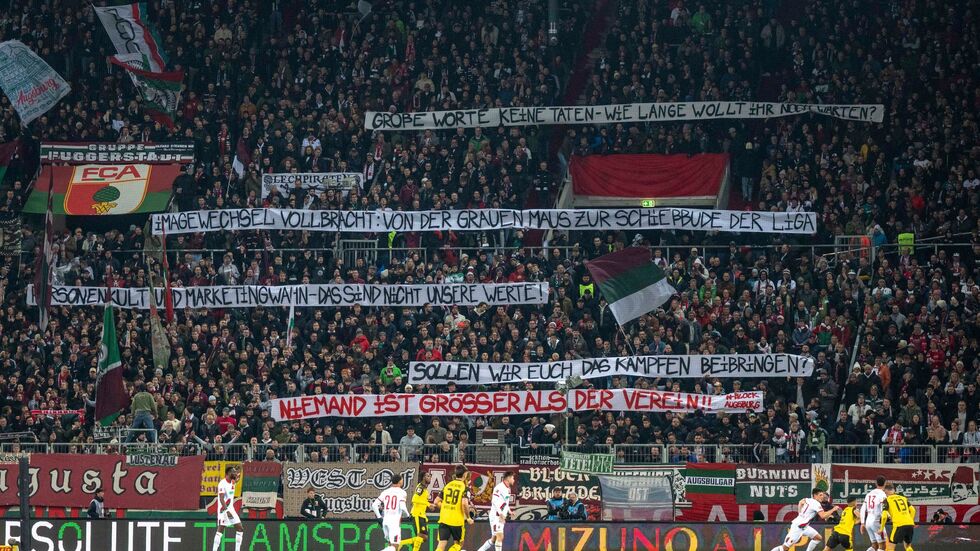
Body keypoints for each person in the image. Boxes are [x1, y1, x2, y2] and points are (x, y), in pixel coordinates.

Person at [770, 488, 840, 551]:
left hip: (804, 526)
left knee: (818, 538)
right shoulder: (816, 503)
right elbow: (823, 516)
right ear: (815, 495)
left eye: (823, 495)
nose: (822, 497)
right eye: (820, 495)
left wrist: (800, 514)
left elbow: (800, 502)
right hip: (798, 527)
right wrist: (833, 509)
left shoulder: (808, 500)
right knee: (785, 548)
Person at [371, 473, 416, 551]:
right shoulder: (402, 492)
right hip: (394, 522)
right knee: (395, 547)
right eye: (402, 479)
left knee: (391, 545)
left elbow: (374, 505)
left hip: (385, 521)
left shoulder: (385, 491)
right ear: (400, 481)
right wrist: (408, 515)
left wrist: (379, 517)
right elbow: (402, 507)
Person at [434, 465, 473, 551]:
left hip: (444, 519)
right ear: (465, 475)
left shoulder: (448, 485)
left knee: (440, 546)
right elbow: (464, 503)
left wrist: (446, 508)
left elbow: (436, 502)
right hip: (457, 521)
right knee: (458, 544)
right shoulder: (464, 488)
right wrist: (468, 517)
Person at [476, 471, 515, 551]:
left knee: (494, 539)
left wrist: (509, 511)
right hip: (496, 516)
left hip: (500, 516)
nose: (514, 480)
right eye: (513, 478)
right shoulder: (499, 488)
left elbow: (505, 502)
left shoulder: (508, 488)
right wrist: (500, 514)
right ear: (508, 478)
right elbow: (494, 501)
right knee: (500, 537)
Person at [214, 465, 244, 551]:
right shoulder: (222, 483)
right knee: (220, 529)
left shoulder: (233, 481)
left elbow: (238, 477)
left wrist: (241, 467)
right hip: (223, 510)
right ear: (228, 473)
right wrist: (226, 511)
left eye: (235, 472)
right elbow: (221, 498)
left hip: (231, 509)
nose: (235, 473)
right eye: (233, 472)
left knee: (240, 528)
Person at [882, 483, 915, 551]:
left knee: (890, 547)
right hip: (910, 524)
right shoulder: (903, 498)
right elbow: (913, 510)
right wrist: (911, 520)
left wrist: (881, 528)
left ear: (885, 491)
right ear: (893, 490)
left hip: (899, 525)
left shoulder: (887, 500)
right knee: (908, 546)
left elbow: (884, 516)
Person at [861, 476, 887, 551]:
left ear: (876, 483)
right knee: (882, 546)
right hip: (876, 521)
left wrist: (862, 523)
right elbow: (884, 508)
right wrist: (887, 516)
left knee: (874, 545)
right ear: (885, 483)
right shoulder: (882, 494)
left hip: (868, 521)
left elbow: (863, 508)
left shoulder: (869, 494)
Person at [410, 471, 434, 551]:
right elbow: (414, 499)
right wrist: (428, 504)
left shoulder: (425, 488)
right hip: (417, 514)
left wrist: (429, 505)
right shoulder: (420, 487)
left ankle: (402, 543)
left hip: (422, 515)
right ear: (423, 477)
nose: (430, 477)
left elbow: (422, 500)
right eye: (428, 476)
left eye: (430, 476)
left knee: (424, 537)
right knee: (420, 536)